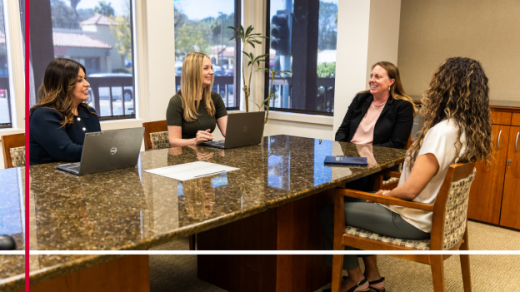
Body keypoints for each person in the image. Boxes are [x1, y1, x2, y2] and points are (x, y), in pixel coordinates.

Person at [321, 57, 493, 292]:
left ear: (445, 88)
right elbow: (425, 182)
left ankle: (355, 279)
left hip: (413, 220)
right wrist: (388, 190)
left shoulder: (441, 133)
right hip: (432, 217)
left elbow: (411, 190)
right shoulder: (464, 130)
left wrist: (383, 193)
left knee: (331, 210)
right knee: (358, 199)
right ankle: (373, 276)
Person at [336, 61, 417, 191]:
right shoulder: (360, 98)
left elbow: (397, 143)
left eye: (377, 77)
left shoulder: (402, 106)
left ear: (391, 81)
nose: (372, 80)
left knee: (353, 178)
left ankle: (346, 206)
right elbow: (342, 131)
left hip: (378, 160)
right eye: (371, 76)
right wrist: (348, 152)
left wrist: (363, 153)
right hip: (349, 156)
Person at [29, 58, 101, 165]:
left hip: (82, 173)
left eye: (85, 78)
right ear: (63, 84)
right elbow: (67, 151)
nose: (87, 84)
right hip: (49, 178)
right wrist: (108, 150)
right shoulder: (43, 115)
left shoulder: (90, 112)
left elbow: (97, 145)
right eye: (79, 80)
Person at [166, 52, 228, 147]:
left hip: (207, 155)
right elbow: (174, 141)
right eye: (206, 68)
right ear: (193, 72)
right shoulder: (176, 102)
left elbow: (228, 132)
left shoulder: (215, 98)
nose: (211, 72)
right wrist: (195, 141)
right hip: (184, 156)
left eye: (211, 68)